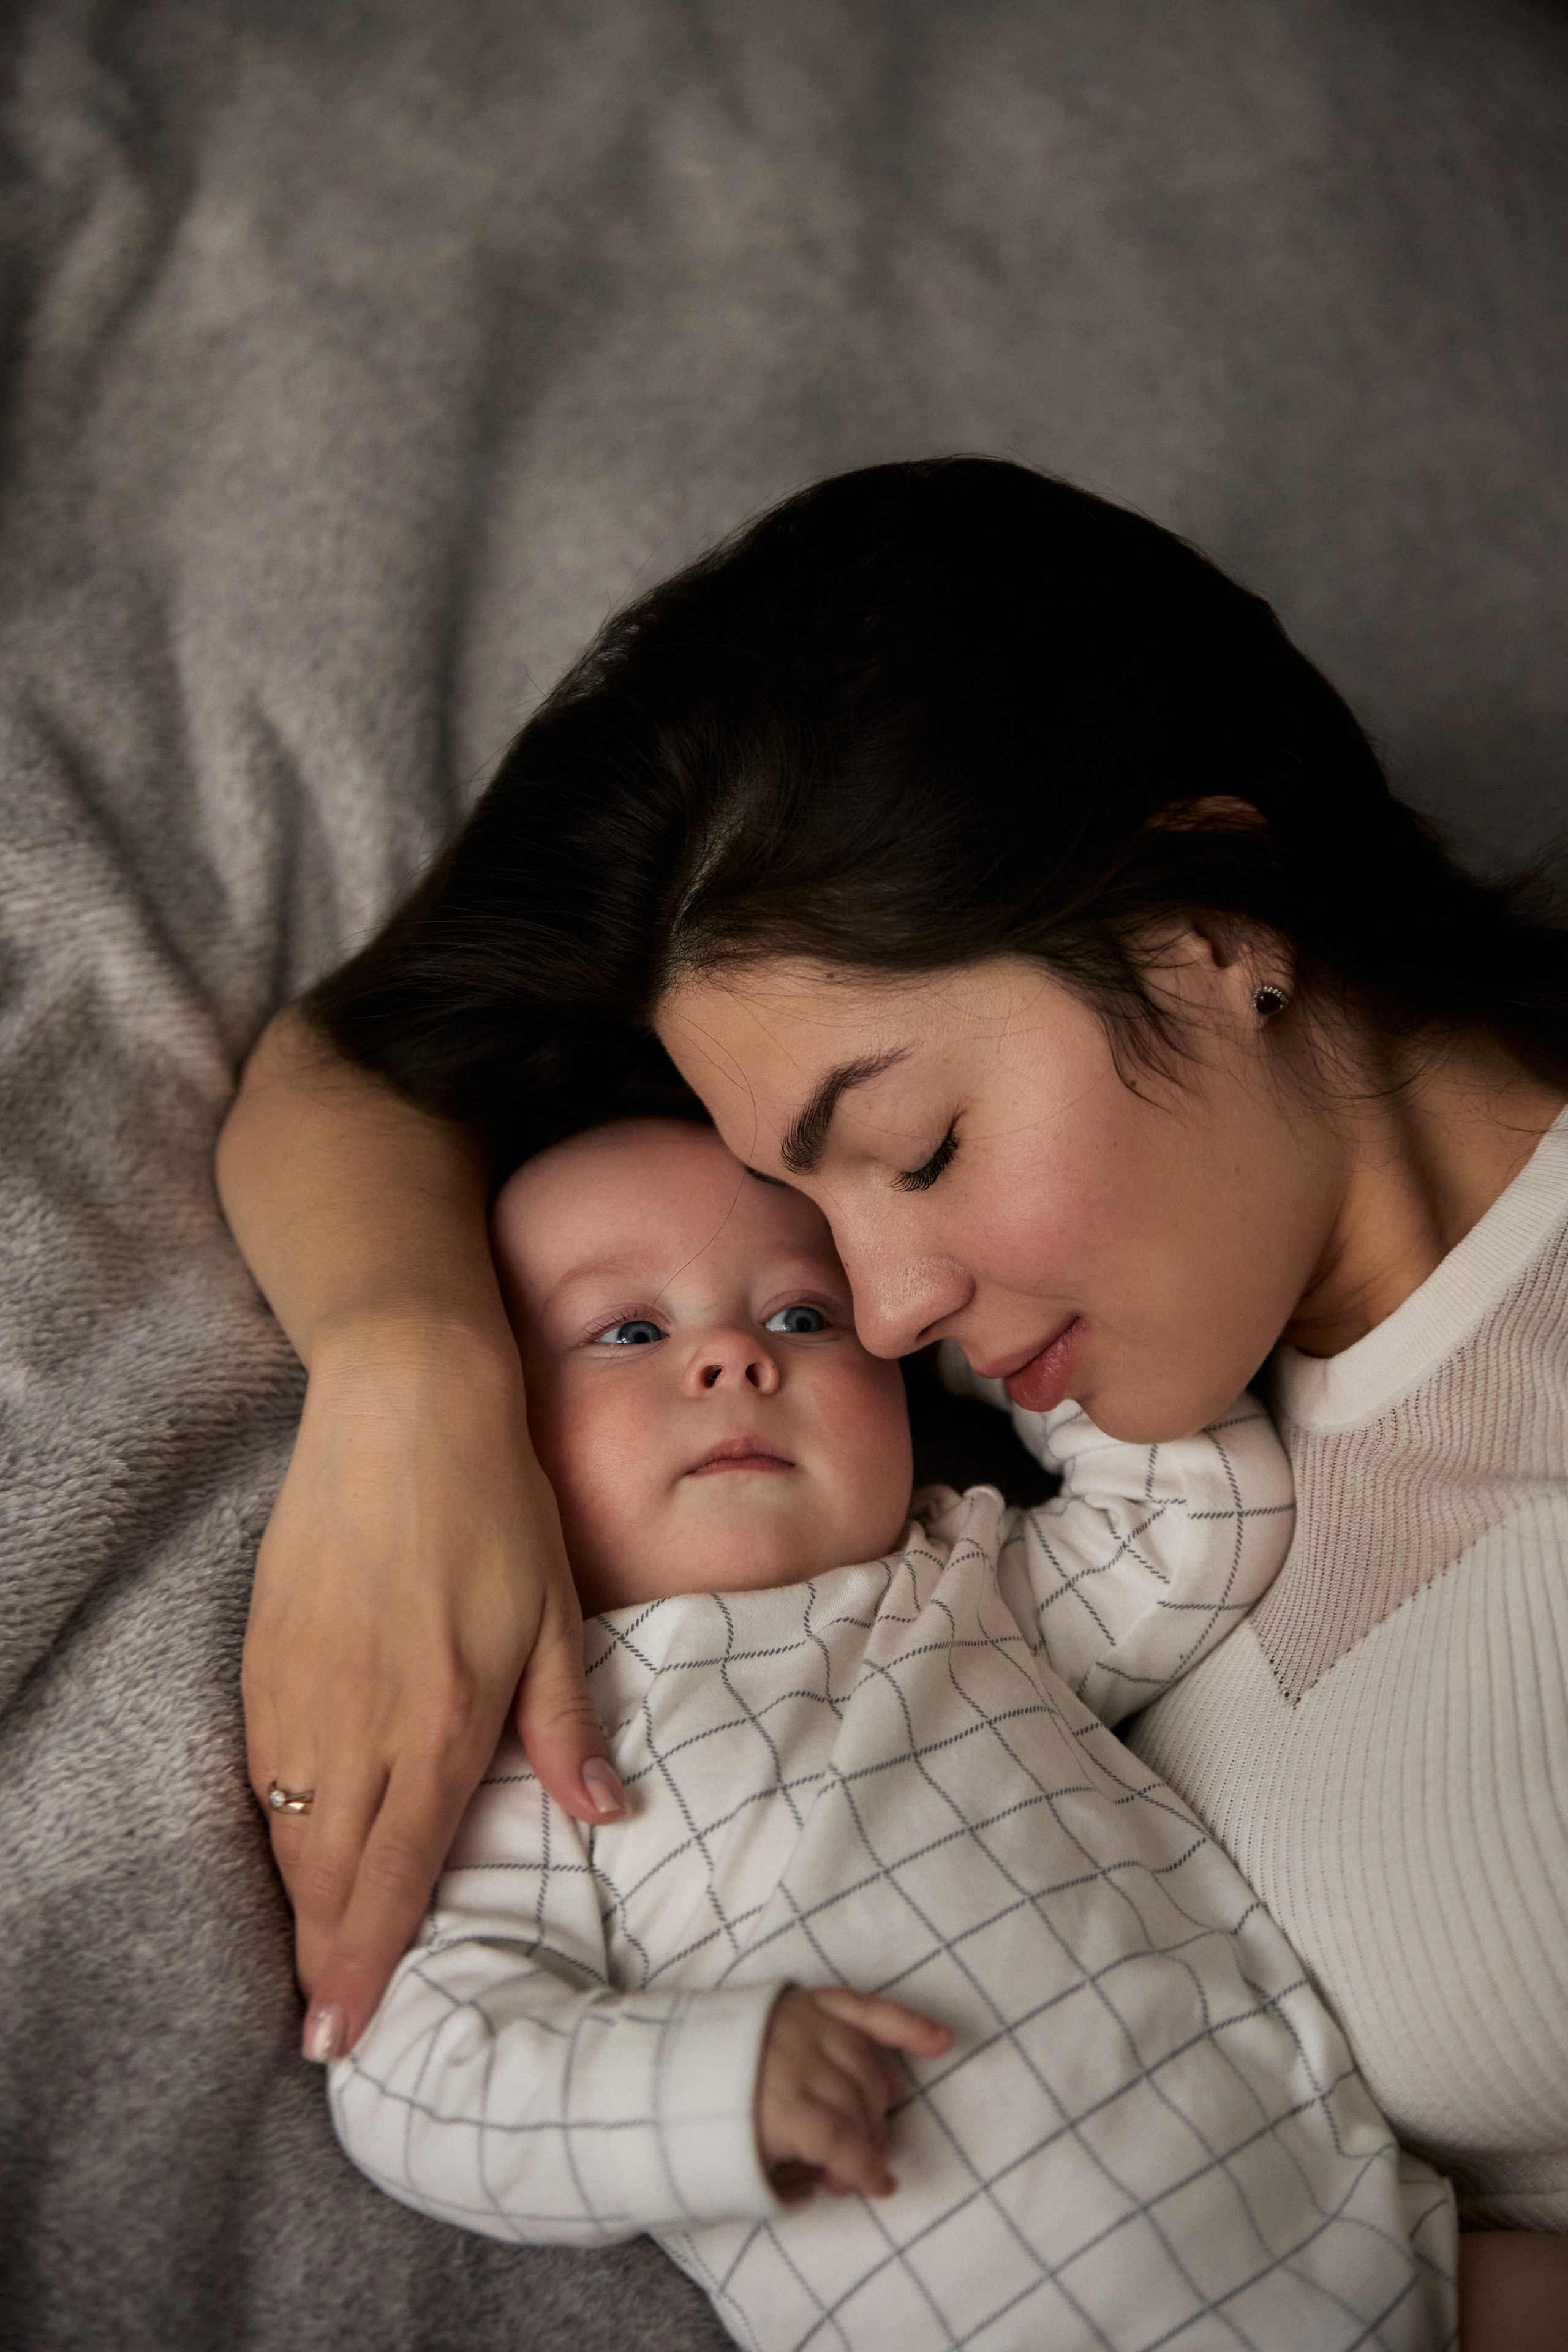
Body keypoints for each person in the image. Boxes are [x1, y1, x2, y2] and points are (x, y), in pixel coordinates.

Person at [216, 457, 1568, 2336]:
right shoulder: (1061, 1401)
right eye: (812, 1207)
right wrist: (418, 1391)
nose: (881, 1307)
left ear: (1213, 922)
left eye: (920, 1148)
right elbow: (346, 1073)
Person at [330, 1113, 1455, 2351]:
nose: (735, 1358)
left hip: (1350, 2235)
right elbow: (418, 2069)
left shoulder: (958, 1584)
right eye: (630, 1331)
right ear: (489, 1449)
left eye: (806, 1316)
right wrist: (700, 2086)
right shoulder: (539, 1738)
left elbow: (1203, 1510)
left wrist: (987, 1337)